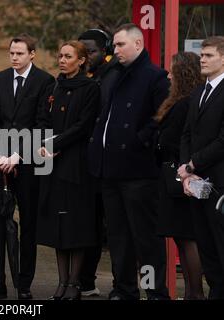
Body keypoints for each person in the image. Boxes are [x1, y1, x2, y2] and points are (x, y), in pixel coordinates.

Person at [0, 34, 55, 300]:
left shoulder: (45, 82)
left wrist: (18, 155)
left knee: (28, 223)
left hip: (28, 163)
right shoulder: (1, 79)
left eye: (19, 53)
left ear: (32, 54)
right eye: (11, 53)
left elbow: (42, 124)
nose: (14, 58)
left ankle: (24, 284)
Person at [88, 23, 170, 300]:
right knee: (119, 238)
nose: (115, 50)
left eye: (121, 44)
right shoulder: (114, 74)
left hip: (139, 172)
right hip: (110, 170)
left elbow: (162, 117)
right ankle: (124, 288)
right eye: (115, 45)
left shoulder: (155, 77)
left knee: (145, 239)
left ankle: (153, 291)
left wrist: (139, 140)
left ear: (138, 44)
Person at [36, 41, 100, 300]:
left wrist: (55, 144)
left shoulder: (90, 88)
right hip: (52, 163)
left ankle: (75, 283)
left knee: (76, 224)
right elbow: (42, 118)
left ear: (81, 60)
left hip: (76, 163)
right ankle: (61, 282)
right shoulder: (54, 86)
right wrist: (43, 142)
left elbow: (83, 126)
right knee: (57, 225)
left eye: (68, 56)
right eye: (60, 55)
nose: (62, 60)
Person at [155, 52, 205, 300]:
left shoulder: (186, 103)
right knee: (181, 237)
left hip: (181, 175)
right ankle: (191, 292)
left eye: (173, 70)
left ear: (183, 73)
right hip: (171, 175)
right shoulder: (179, 100)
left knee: (188, 237)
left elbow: (180, 138)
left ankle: (194, 293)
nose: (168, 74)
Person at [178, 36, 224, 299]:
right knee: (206, 248)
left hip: (220, 184)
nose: (202, 60)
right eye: (201, 55)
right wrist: (187, 170)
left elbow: (223, 140)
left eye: (208, 55)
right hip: (196, 185)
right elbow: (186, 134)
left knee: (220, 246)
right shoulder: (198, 91)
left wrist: (194, 163)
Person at [78, 28, 119, 297]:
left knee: (114, 228)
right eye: (84, 52)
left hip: (111, 164)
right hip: (88, 165)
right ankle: (86, 280)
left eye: (91, 51)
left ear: (105, 50)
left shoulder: (112, 77)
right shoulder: (86, 77)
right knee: (89, 224)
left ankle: (120, 283)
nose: (87, 56)